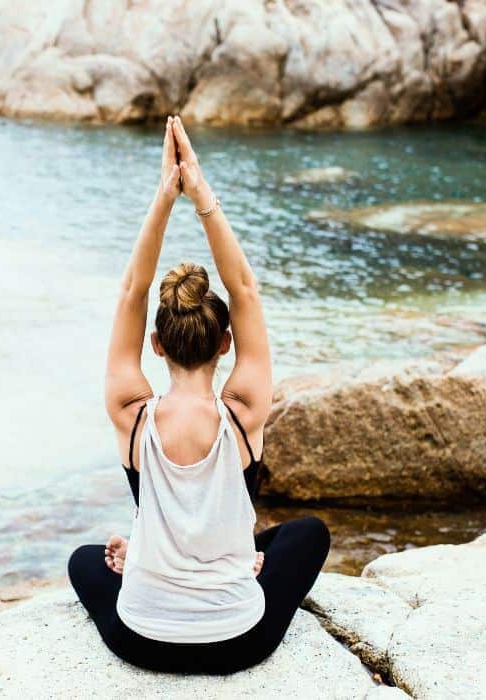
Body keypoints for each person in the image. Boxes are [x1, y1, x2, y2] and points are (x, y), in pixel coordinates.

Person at [68, 116, 330, 675]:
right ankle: (228, 557)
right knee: (308, 535)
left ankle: (156, 555)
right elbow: (245, 289)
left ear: (156, 346)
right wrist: (199, 191)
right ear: (226, 344)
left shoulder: (130, 414)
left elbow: (131, 290)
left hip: (141, 638)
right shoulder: (244, 412)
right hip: (238, 639)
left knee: (84, 560)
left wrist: (164, 196)